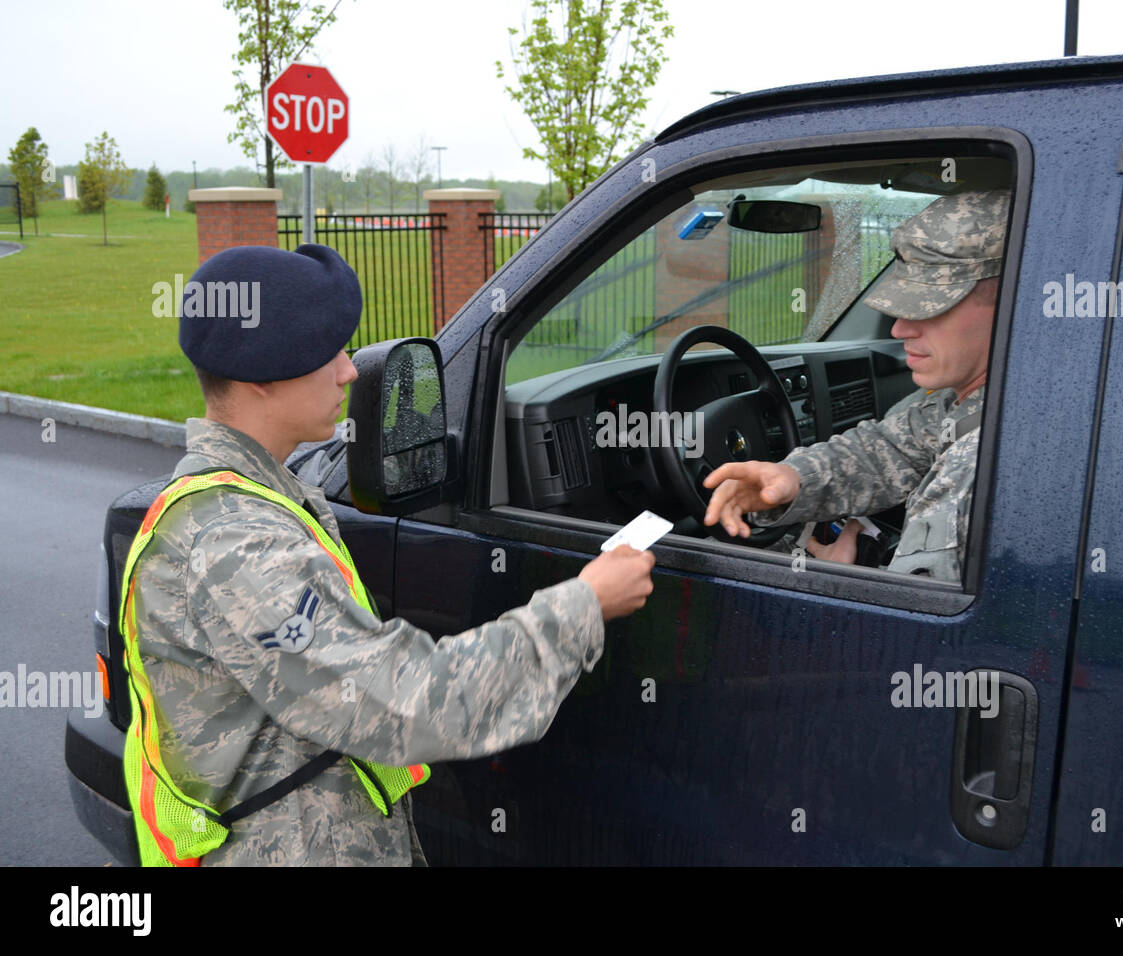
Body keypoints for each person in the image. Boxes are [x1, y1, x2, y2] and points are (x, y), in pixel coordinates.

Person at [121, 243, 655, 866]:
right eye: (330, 354)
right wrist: (585, 606)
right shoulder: (235, 548)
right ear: (263, 379)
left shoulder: (263, 495)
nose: (349, 372)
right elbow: (409, 702)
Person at [702, 188, 1010, 583]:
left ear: (1011, 299)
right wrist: (793, 479)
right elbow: (890, 448)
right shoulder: (979, 397)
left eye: (929, 307)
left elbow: (913, 622)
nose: (900, 327)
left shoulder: (979, 462)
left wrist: (835, 579)